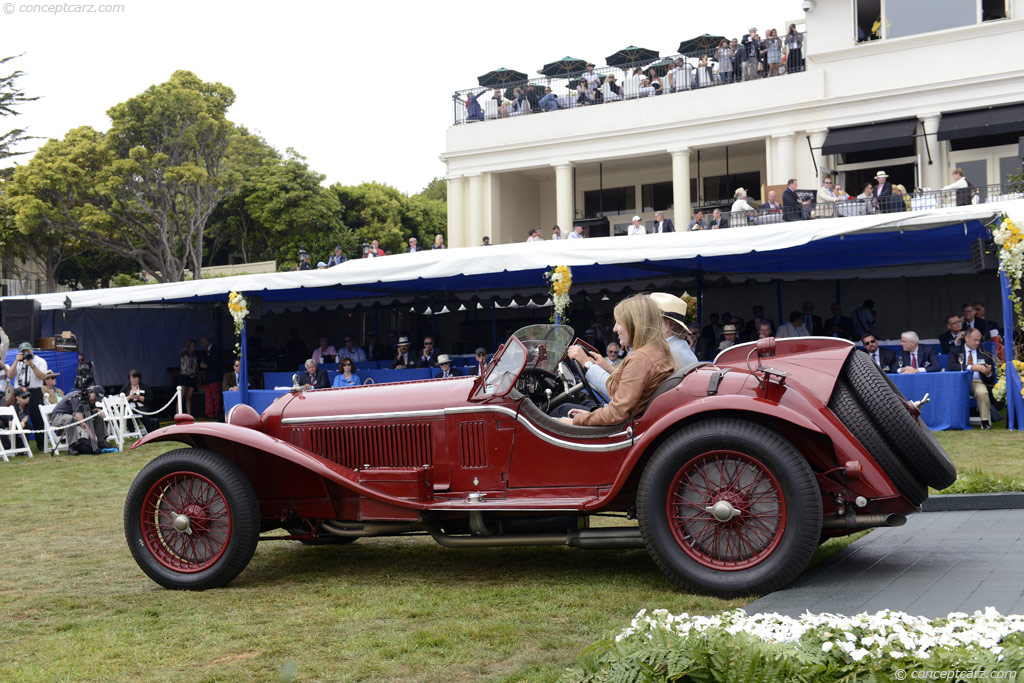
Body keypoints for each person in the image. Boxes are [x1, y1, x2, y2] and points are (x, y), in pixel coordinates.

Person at [561, 295, 675, 426]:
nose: (615, 328)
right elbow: (619, 394)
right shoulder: (656, 351)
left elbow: (617, 413)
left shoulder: (641, 358)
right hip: (631, 421)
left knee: (559, 412)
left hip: (625, 427)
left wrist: (575, 421)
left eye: (619, 322)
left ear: (635, 324)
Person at [947, 327, 996, 429]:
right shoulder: (955, 350)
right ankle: (952, 421)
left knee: (983, 392)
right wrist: (971, 367)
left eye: (979, 340)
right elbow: (951, 367)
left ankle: (985, 421)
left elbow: (991, 378)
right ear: (966, 338)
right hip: (959, 382)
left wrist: (988, 373)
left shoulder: (985, 353)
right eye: (975, 340)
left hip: (976, 382)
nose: (978, 343)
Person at [7, 341, 48, 450]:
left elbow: (43, 377)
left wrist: (32, 365)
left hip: (34, 391)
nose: (26, 353)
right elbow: (10, 375)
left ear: (32, 350)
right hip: (19, 392)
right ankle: (16, 445)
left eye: (27, 351)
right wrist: (16, 361)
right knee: (15, 417)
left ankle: (41, 445)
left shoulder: (40, 361)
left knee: (38, 418)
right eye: (23, 351)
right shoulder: (18, 361)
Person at [51, 385, 108, 455]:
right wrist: (90, 433)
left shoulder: (89, 398)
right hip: (58, 416)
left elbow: (91, 410)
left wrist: (99, 410)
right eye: (95, 398)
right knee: (71, 419)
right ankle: (72, 446)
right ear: (91, 392)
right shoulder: (78, 396)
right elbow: (78, 416)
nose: (95, 400)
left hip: (73, 416)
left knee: (97, 415)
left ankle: (100, 441)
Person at [123, 368, 159, 433]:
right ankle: (132, 432)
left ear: (139, 378)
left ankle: (150, 431)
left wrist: (139, 397)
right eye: (132, 378)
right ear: (129, 379)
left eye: (135, 378)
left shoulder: (145, 386)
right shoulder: (126, 387)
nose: (133, 380)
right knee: (128, 414)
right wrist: (129, 397)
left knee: (144, 414)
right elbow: (121, 398)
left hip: (142, 405)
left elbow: (150, 399)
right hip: (130, 406)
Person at [198, 336, 223, 419]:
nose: (201, 345)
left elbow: (218, 363)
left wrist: (206, 366)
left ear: (207, 341)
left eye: (202, 342)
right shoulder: (206, 351)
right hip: (208, 377)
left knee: (216, 396)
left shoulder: (215, 349)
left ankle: (216, 414)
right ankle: (209, 414)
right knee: (208, 397)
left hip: (215, 377)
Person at [178, 340, 198, 416]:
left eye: (194, 346)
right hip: (184, 375)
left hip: (192, 376)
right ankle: (178, 413)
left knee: (189, 396)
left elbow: (195, 365)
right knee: (181, 395)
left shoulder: (195, 355)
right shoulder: (184, 353)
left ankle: (189, 413)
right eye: (191, 346)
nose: (193, 347)